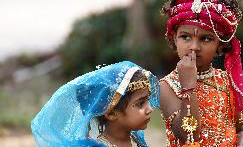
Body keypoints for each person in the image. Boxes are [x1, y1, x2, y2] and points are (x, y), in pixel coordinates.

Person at [159, 0, 243, 147]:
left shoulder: (226, 80)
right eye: (185, 37)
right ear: (174, 39)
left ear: (220, 45)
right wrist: (188, 87)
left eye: (206, 39)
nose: (194, 47)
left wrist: (242, 136)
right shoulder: (167, 86)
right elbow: (188, 137)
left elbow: (238, 127)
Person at [31, 61, 160, 147]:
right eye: (140, 103)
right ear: (111, 113)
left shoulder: (135, 140)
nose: (149, 108)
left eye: (147, 100)